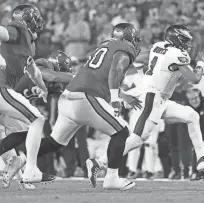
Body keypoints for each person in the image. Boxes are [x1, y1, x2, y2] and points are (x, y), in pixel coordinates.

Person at [9, 23, 143, 191]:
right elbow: (115, 71)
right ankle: (112, 178)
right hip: (86, 98)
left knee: (55, 142)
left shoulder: (105, 45)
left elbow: (100, 76)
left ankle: (20, 160)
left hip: (68, 98)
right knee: (122, 132)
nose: (136, 44)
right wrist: (116, 98)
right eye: (135, 40)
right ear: (128, 38)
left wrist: (122, 95)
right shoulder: (124, 48)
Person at [123, 24, 204, 174]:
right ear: (175, 39)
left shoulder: (158, 45)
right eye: (184, 40)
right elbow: (196, 79)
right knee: (137, 140)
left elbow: (141, 57)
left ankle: (202, 158)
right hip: (153, 97)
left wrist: (141, 67)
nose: (187, 44)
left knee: (192, 116)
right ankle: (100, 161)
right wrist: (201, 63)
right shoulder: (176, 55)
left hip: (159, 97)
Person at [0, 50, 73, 188]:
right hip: (4, 98)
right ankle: (25, 170)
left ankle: (20, 173)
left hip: (8, 107)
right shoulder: (42, 65)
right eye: (63, 71)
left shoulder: (55, 86)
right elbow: (51, 76)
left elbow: (63, 93)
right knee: (34, 122)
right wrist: (77, 77)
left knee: (27, 131)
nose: (64, 75)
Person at [0, 4, 55, 185]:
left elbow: (34, 72)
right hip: (2, 87)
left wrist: (43, 88)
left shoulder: (28, 45)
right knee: (37, 119)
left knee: (22, 129)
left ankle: (15, 164)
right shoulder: (18, 30)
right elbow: (4, 33)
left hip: (5, 90)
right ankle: (31, 171)